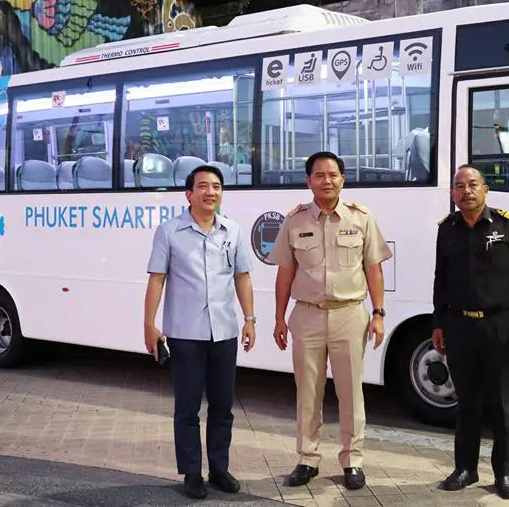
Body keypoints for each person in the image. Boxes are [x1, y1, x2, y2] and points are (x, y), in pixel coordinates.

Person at [268, 151, 392, 491]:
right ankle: (307, 459)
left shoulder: (361, 218)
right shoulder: (294, 221)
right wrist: (279, 318)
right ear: (309, 181)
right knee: (308, 392)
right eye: (319, 175)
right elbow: (285, 274)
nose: (327, 181)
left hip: (350, 314)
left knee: (351, 392)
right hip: (306, 315)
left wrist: (378, 313)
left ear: (343, 179)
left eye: (333, 175)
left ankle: (352, 460)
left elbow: (374, 269)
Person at [143, 165, 257, 499]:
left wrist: (250, 319)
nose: (211, 192)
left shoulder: (232, 231)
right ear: (189, 194)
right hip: (185, 333)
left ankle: (219, 469)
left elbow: (243, 277)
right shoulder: (169, 232)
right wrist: (149, 325)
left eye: (217, 186)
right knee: (188, 407)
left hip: (224, 332)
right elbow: (156, 279)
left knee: (223, 405)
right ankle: (192, 472)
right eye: (203, 186)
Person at [430, 164, 509, 500]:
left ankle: (505, 472)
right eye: (459, 186)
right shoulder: (447, 229)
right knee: (466, 404)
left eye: (472, 184)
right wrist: (438, 323)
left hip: (500, 325)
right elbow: (441, 280)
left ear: (485, 190)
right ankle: (465, 468)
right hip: (459, 325)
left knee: (501, 403)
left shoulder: (507, 224)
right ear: (453, 193)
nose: (466, 191)